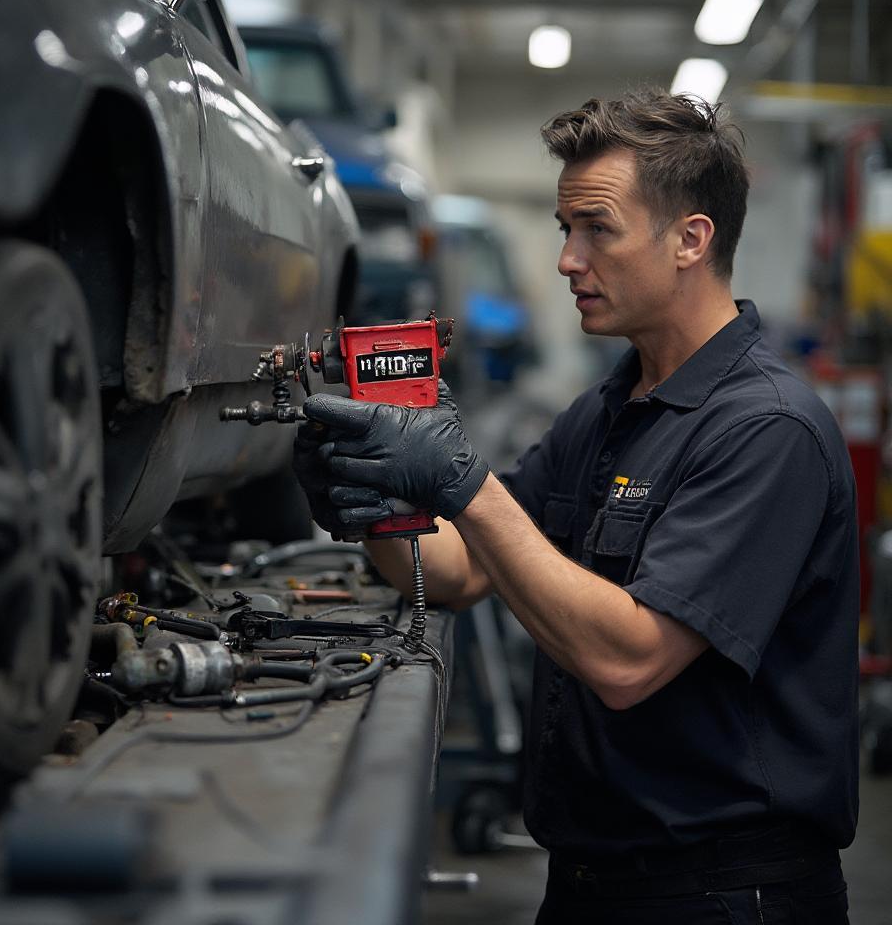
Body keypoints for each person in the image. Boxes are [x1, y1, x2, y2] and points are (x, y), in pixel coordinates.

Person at [293, 90, 859, 924]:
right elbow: (459, 569)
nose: (567, 260)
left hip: (726, 897)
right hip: (592, 879)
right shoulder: (610, 408)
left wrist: (463, 483)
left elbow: (629, 660)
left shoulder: (767, 431)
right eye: (566, 230)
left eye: (598, 228)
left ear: (690, 241)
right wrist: (376, 499)